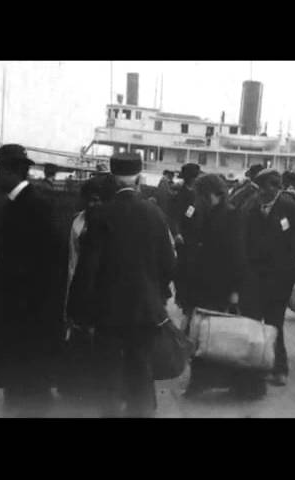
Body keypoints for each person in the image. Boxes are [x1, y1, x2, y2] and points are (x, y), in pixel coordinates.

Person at [85, 152, 176, 418]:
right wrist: (156, 293)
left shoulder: (99, 215)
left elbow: (88, 266)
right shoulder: (155, 213)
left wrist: (79, 309)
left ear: (113, 179)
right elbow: (169, 263)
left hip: (107, 308)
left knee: (109, 369)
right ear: (139, 178)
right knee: (141, 366)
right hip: (144, 308)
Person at [0, 144, 64, 415]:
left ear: (13, 172)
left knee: (26, 384)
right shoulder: (23, 204)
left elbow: (49, 260)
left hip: (25, 312)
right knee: (21, 381)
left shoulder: (31, 206)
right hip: (23, 311)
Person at [241, 169, 295, 388]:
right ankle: (256, 367)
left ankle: (279, 368)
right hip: (254, 275)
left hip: (280, 275)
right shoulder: (250, 207)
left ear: (276, 188)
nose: (265, 191)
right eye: (262, 187)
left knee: (275, 322)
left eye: (271, 187)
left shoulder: (289, 207)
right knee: (254, 321)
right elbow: (242, 236)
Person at [183, 174, 250, 398]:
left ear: (214, 194)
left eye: (202, 194)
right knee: (206, 335)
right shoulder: (207, 214)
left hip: (222, 286)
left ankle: (219, 383)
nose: (199, 199)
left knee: (218, 336)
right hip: (205, 285)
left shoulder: (232, 216)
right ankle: (203, 382)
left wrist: (234, 292)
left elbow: (237, 256)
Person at [60, 174, 118, 402]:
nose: (93, 205)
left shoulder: (113, 223)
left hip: (105, 290)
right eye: (90, 200)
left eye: (97, 200)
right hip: (81, 286)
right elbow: (72, 259)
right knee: (80, 338)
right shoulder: (78, 222)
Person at [171, 163, 202, 315]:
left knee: (191, 269)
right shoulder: (181, 194)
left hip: (195, 237)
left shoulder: (198, 193)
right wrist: (177, 233)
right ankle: (183, 298)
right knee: (182, 269)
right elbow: (175, 216)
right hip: (184, 238)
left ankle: (187, 299)